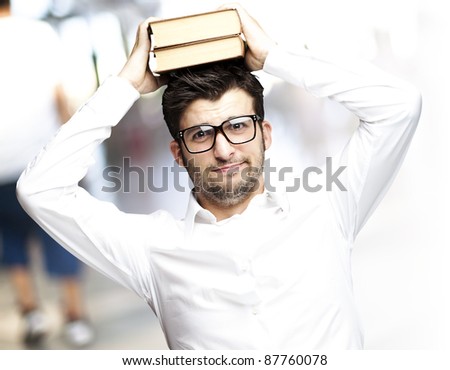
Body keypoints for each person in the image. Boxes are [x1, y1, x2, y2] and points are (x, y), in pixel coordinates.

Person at [16, 3, 421, 349]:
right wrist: (123, 86)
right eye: (201, 134)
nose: (224, 149)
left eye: (239, 126)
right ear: (177, 152)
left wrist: (275, 57)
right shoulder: (152, 250)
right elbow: (40, 189)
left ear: (265, 134)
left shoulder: (328, 209)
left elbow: (400, 106)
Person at [0, 0, 94, 347]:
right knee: (60, 236)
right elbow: (59, 98)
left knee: (11, 242)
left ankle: (32, 314)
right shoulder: (39, 34)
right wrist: (74, 153)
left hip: (0, 167)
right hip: (42, 160)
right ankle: (75, 319)